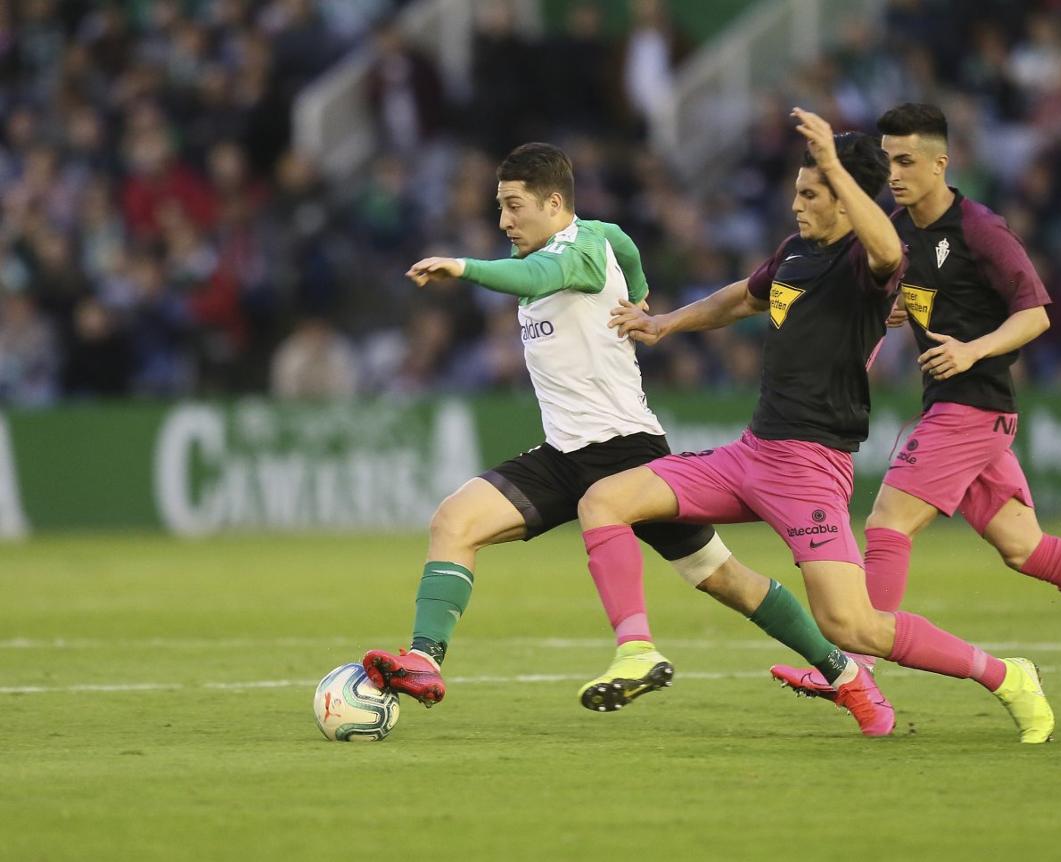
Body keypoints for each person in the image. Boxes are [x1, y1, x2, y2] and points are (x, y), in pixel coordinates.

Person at [361, 143, 875, 732]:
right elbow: (624, 247)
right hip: (563, 454)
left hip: (626, 453)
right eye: (499, 208)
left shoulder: (577, 250)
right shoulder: (598, 240)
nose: (503, 221)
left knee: (725, 579)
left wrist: (464, 267)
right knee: (454, 522)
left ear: (554, 203)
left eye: (512, 206)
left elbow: (541, 273)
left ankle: (842, 674)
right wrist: (639, 293)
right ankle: (424, 661)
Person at [583, 109, 1055, 743]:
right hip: (750, 455)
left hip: (810, 469)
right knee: (605, 500)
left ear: (846, 198)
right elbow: (745, 297)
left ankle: (1005, 675)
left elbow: (890, 251)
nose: (797, 204)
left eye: (811, 193)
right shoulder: (795, 252)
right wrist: (668, 321)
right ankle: (636, 648)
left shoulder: (869, 261)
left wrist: (836, 164)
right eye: (797, 191)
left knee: (852, 628)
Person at [773, 102, 1061, 706]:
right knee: (1026, 548)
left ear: (941, 162)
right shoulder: (897, 229)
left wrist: (972, 351)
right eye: (888, 160)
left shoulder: (979, 229)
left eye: (908, 160)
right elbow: (909, 293)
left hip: (973, 404)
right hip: (955, 403)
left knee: (889, 522)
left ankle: (859, 666)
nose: (894, 172)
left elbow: (1036, 314)